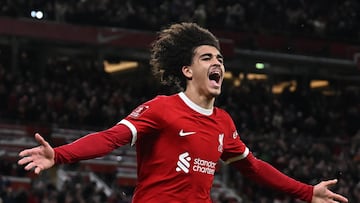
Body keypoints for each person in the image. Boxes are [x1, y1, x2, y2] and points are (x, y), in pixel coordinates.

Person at [18, 22, 348, 203]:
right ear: (187, 71)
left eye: (220, 58)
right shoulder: (162, 108)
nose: (217, 63)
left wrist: (307, 192)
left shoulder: (223, 122)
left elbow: (253, 167)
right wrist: (58, 155)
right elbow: (111, 138)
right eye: (207, 58)